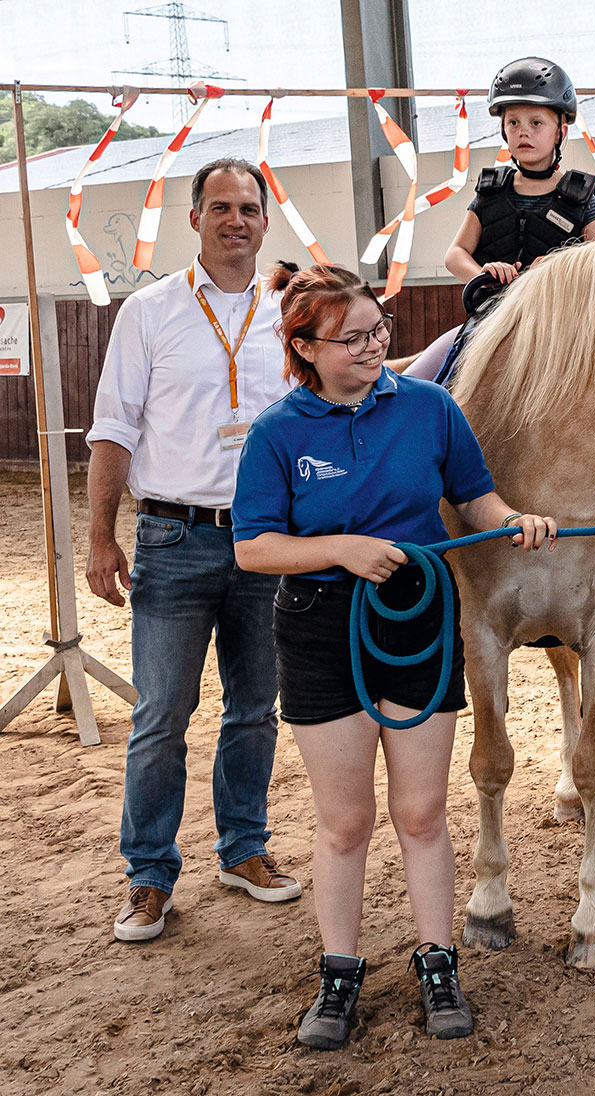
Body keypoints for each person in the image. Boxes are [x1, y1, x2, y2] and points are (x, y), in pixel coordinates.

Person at [231, 263, 557, 1049]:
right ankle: (339, 972)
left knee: (421, 811)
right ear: (303, 347)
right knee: (345, 822)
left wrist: (513, 519)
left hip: (418, 614)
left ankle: (438, 963)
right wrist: (341, 548)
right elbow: (253, 547)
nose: (373, 346)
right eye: (350, 339)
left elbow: (474, 496)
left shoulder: (430, 407)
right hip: (320, 626)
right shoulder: (278, 432)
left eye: (377, 330)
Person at [86, 157, 300, 945]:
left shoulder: (290, 311)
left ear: (265, 220)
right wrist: (101, 535)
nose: (235, 219)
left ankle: (243, 849)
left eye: (248, 207)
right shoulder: (150, 311)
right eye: (220, 207)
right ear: (196, 218)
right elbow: (114, 427)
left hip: (267, 542)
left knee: (255, 709)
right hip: (173, 538)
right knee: (160, 715)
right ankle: (149, 874)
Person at [404, 56, 595, 382]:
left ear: (560, 131)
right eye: (513, 123)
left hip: (561, 330)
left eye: (536, 123)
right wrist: (483, 274)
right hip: (489, 322)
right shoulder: (491, 193)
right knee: (415, 382)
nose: (523, 131)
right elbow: (455, 254)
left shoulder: (580, 197)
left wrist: (559, 267)